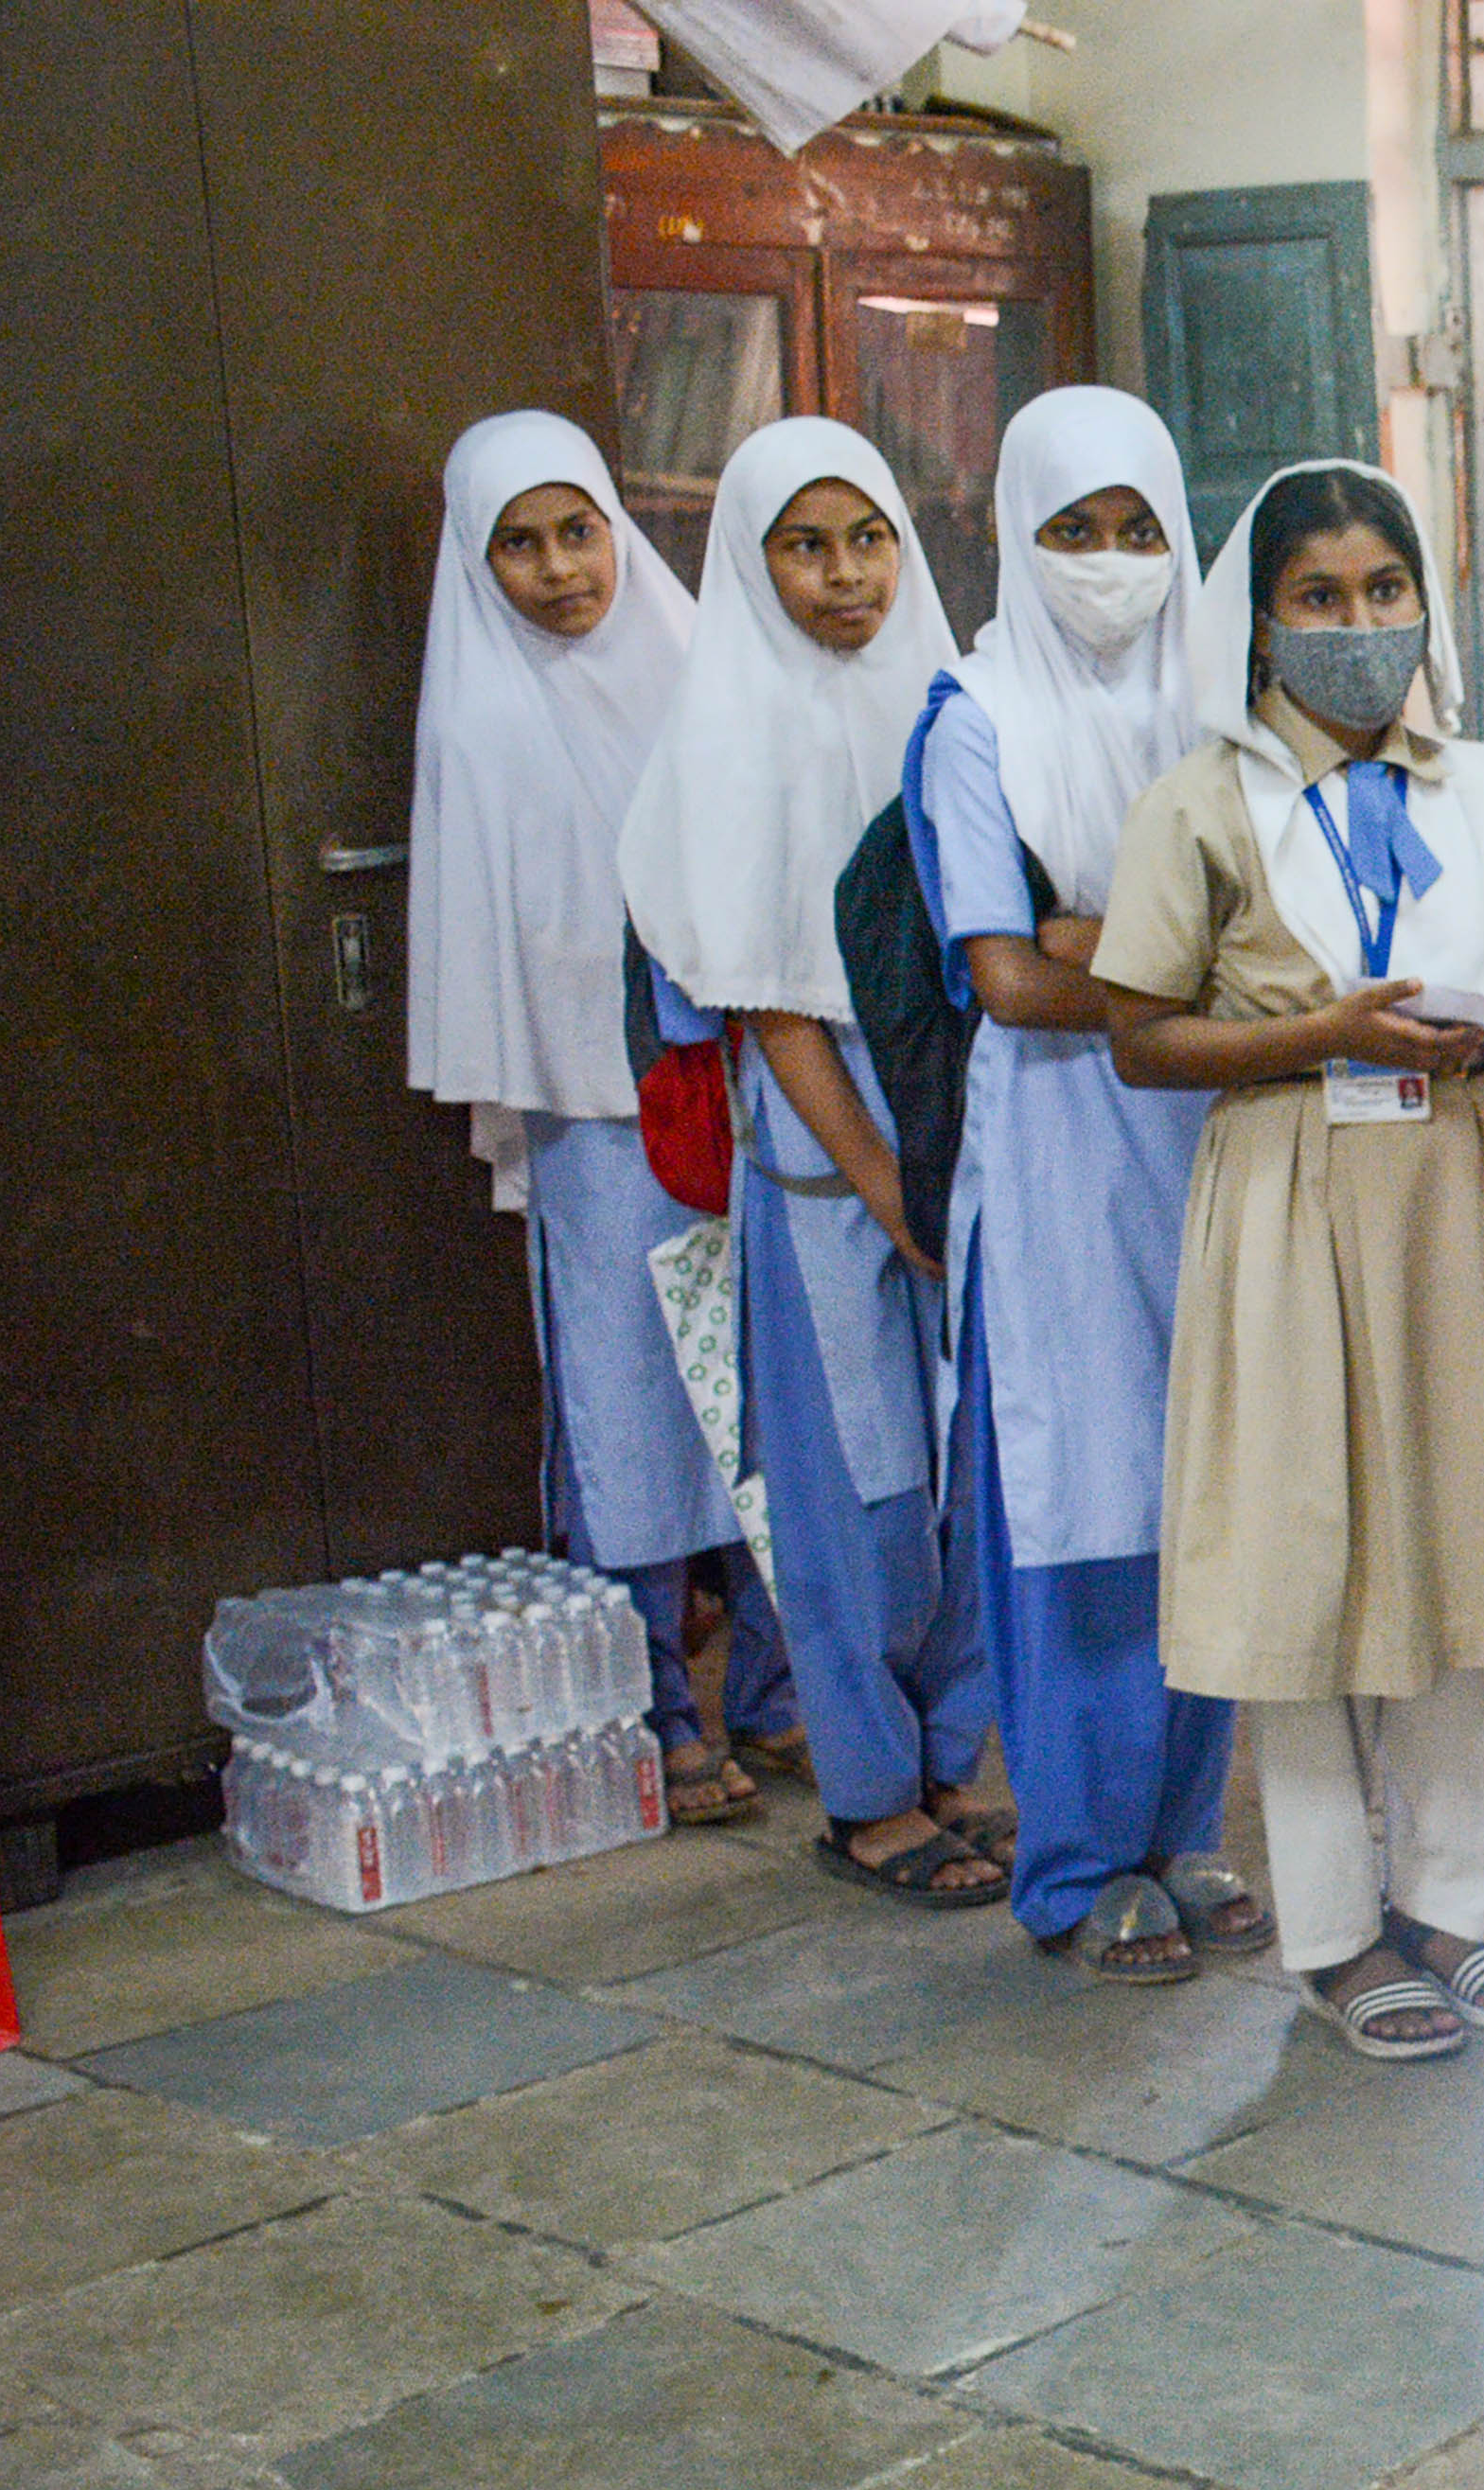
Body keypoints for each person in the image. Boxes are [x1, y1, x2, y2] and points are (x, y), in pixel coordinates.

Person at [1094, 461, 1484, 2056]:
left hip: (1458, 1199)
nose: (1356, 625)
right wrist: (1316, 1031)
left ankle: (1456, 1906)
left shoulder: (1475, 782)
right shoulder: (1200, 798)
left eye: (1383, 593)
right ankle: (1334, 1934)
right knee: (1305, 1566)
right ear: (1259, 620)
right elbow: (1136, 1035)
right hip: (1291, 1198)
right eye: (1317, 598)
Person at [617, 416, 1000, 1905]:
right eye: (803, 545)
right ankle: (863, 1791)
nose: (844, 577)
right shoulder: (728, 730)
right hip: (828, 1159)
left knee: (970, 1465)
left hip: (951, 1144)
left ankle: (951, 1760)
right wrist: (885, 1178)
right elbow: (770, 997)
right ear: (748, 559)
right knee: (856, 1482)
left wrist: (947, 1172)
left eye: (869, 540)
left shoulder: (947, 702)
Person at [904, 384, 1255, 1981]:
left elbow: (1257, 926)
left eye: (1138, 531)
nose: (1111, 564)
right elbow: (1003, 974)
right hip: (1055, 1150)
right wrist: (1166, 963)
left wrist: (1095, 936)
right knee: (1084, 1496)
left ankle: (1183, 1829)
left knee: (1215, 1487)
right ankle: (1076, 1854)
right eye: (1074, 531)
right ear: (1012, 534)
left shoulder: (1214, 709)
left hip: (1211, 1138)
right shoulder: (973, 720)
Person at [404, 409, 793, 1828]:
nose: (564, 570)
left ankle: (772, 1686)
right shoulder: (484, 713)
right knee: (631, 1402)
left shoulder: (693, 661)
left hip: (744, 1092)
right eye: (521, 543)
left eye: (580, 531)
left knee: (759, 1388)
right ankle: (656, 1707)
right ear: (479, 558)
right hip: (592, 1106)